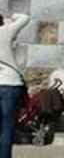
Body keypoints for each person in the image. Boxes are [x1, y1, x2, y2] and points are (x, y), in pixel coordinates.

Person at [0, 12, 28, 158]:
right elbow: (25, 18)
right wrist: (10, 17)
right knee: (7, 127)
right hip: (10, 84)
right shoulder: (6, 31)